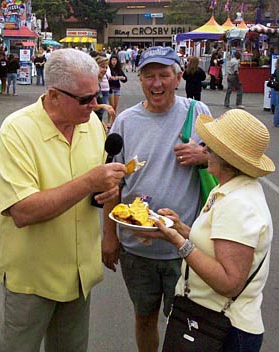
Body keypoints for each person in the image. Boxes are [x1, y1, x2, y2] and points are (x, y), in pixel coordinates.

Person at [0, 48, 127, 352]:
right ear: (53, 95)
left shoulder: (91, 123)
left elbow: (98, 191)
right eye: (85, 99)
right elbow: (23, 211)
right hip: (33, 278)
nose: (95, 105)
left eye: (96, 93)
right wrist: (90, 181)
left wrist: (109, 200)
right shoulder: (16, 132)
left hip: (79, 275)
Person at [102, 46, 212, 352]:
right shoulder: (126, 121)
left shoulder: (199, 113)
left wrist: (204, 155)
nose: (157, 83)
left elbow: (224, 165)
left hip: (185, 247)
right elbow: (114, 184)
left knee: (186, 324)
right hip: (137, 249)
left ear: (178, 77)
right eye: (149, 76)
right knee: (144, 317)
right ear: (139, 79)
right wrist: (109, 237)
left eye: (164, 75)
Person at [140, 108, 276, 352]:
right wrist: (179, 228)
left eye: (209, 147)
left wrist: (179, 243)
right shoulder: (229, 188)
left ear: (227, 157)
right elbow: (216, 245)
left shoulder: (238, 203)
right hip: (212, 319)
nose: (203, 151)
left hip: (225, 328)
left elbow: (229, 282)